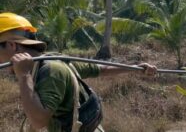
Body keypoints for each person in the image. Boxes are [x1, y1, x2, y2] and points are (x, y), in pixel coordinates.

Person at [0, 12, 157, 132]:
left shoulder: (51, 71)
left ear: (12, 45)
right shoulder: (50, 61)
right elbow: (101, 69)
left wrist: (24, 75)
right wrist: (136, 67)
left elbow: (38, 120)